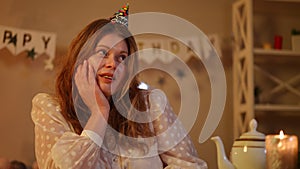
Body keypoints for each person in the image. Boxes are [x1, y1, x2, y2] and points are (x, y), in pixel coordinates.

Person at [31, 4, 207, 169]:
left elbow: (190, 165)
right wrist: (99, 113)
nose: (112, 64)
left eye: (122, 57)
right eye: (102, 53)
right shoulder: (50, 108)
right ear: (80, 58)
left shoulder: (151, 103)